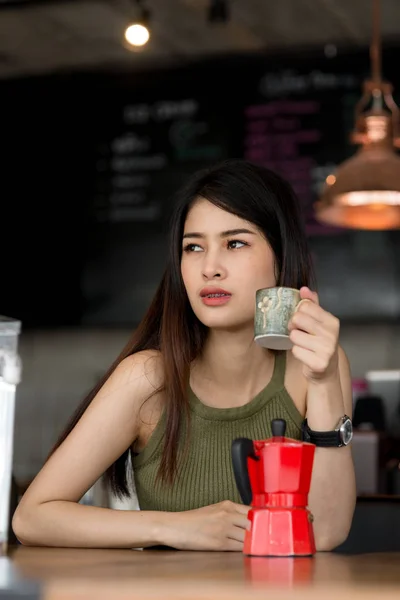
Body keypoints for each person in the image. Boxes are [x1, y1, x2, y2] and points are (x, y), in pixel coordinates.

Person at [12, 159, 356, 552]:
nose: (210, 268)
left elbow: (326, 533)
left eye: (235, 242)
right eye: (193, 247)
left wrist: (325, 380)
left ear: (282, 255)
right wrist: (174, 528)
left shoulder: (318, 366)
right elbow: (32, 517)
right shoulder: (147, 377)